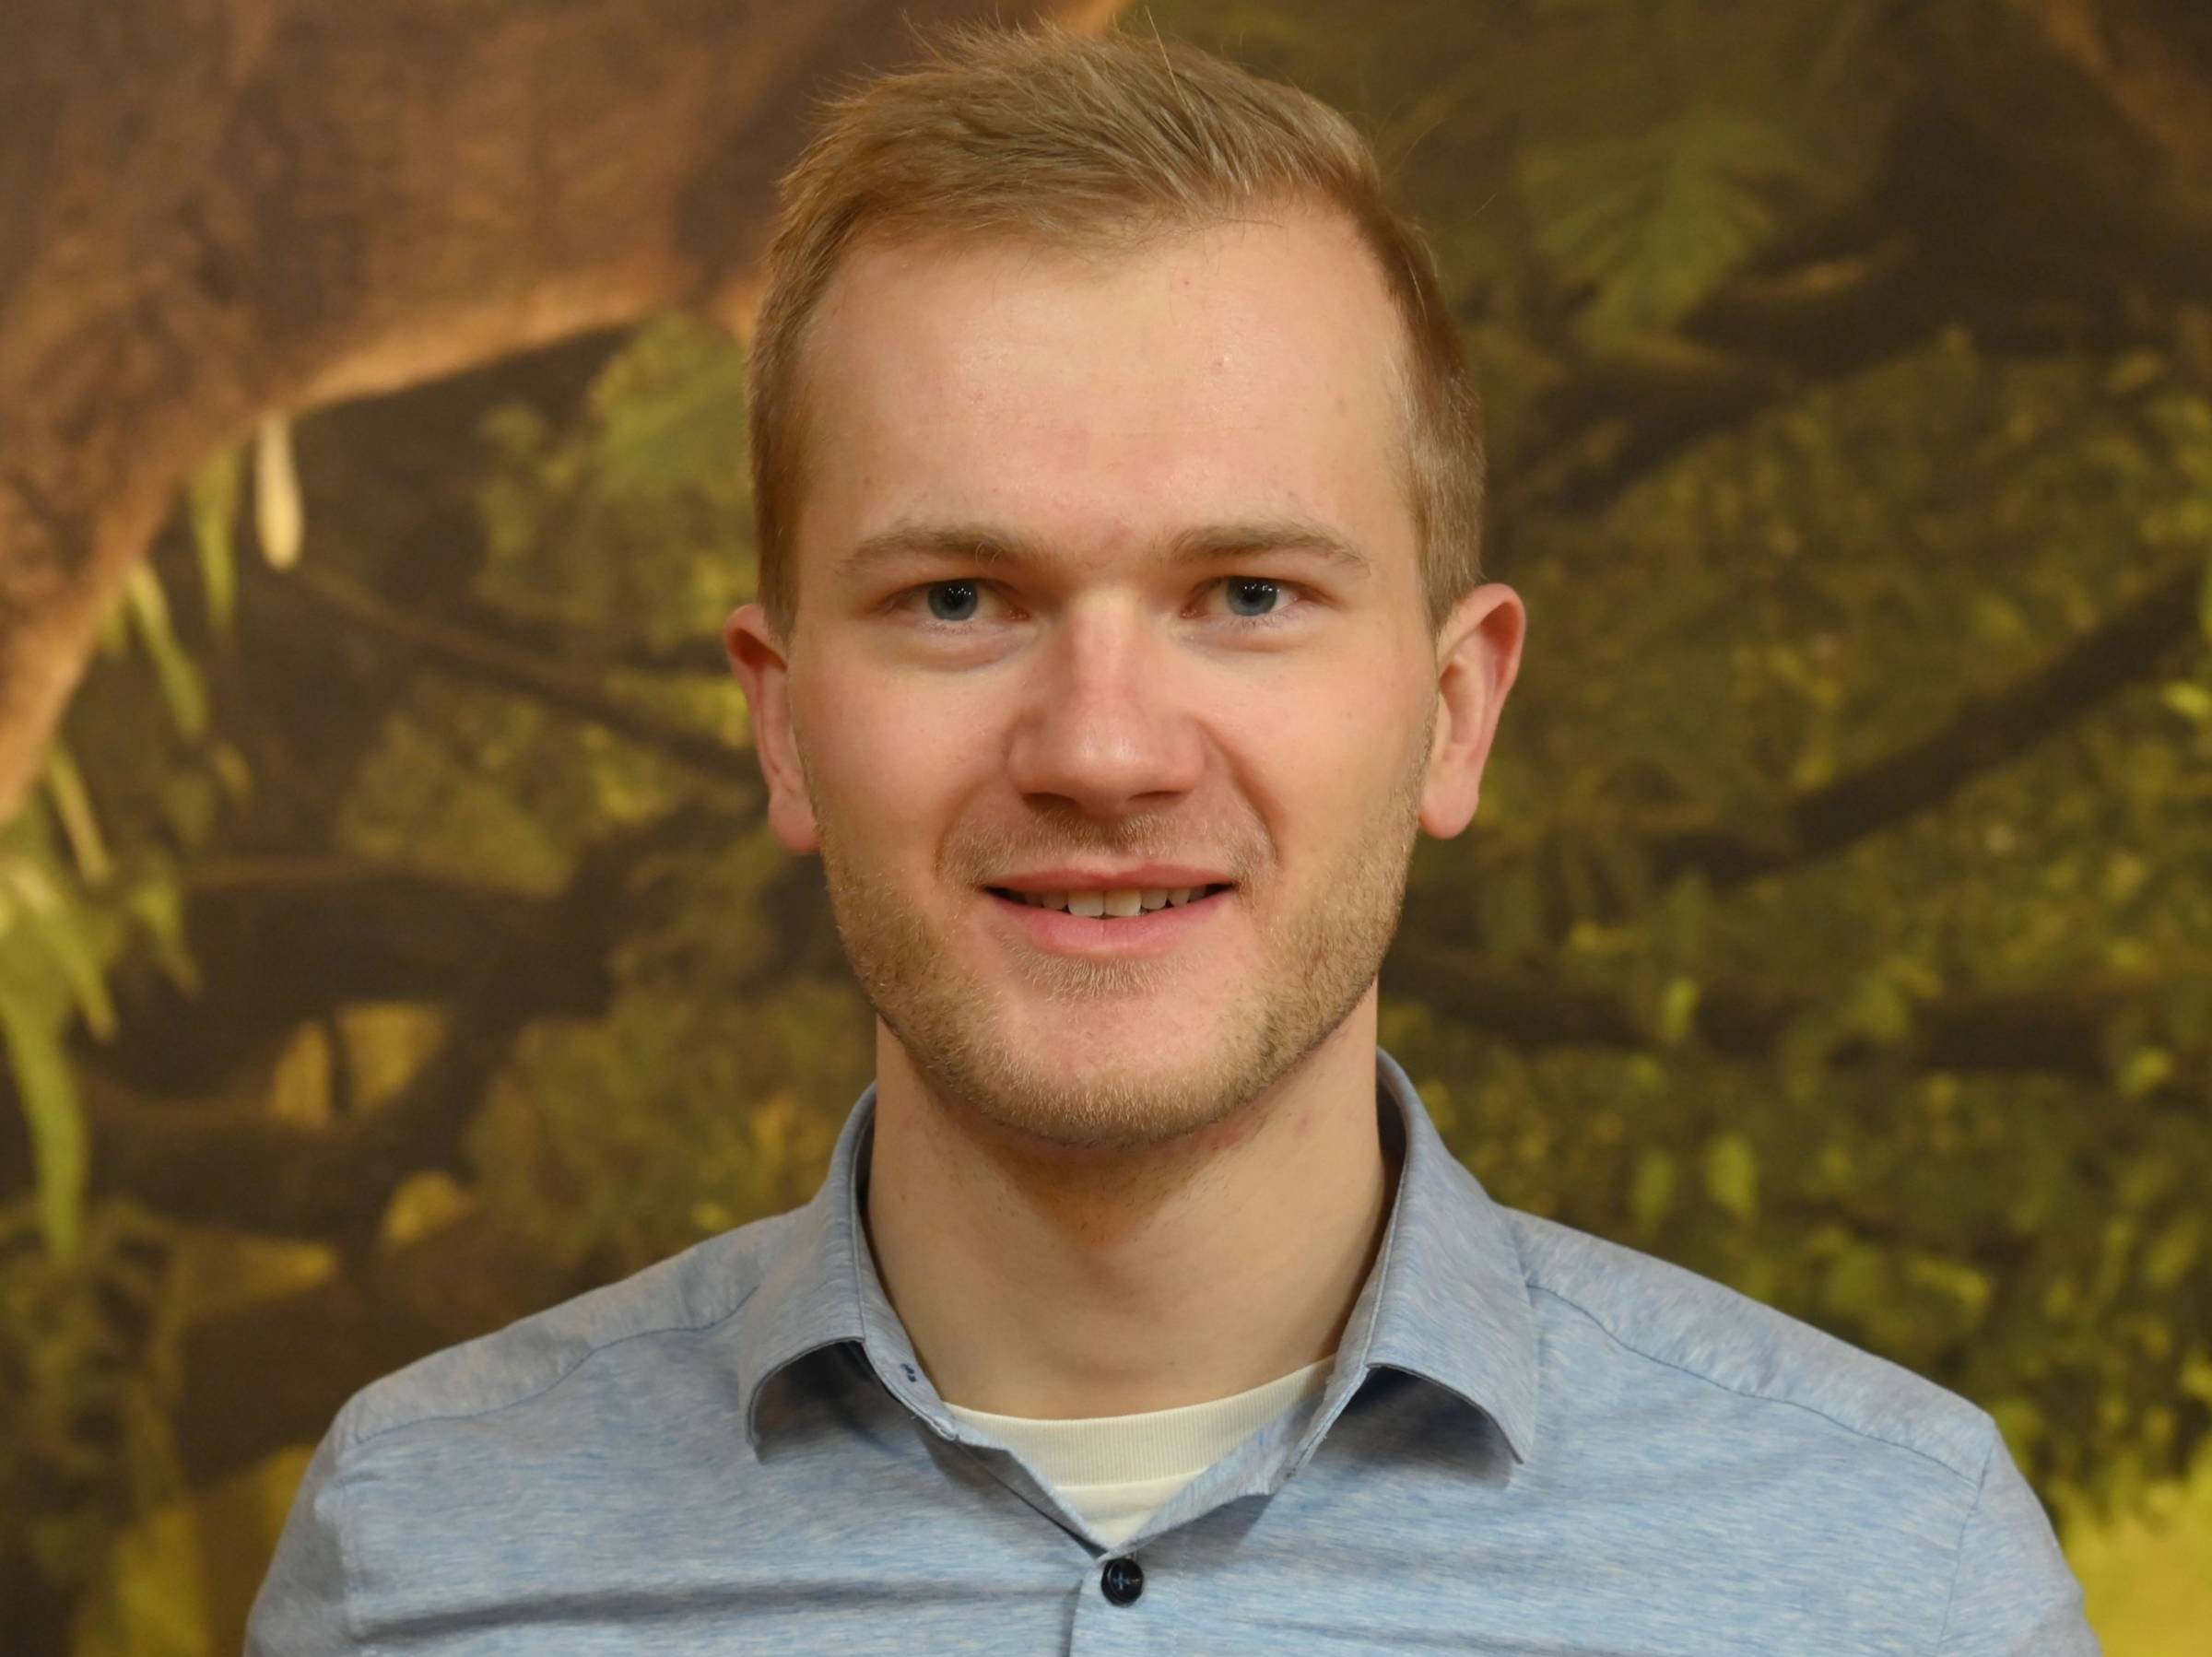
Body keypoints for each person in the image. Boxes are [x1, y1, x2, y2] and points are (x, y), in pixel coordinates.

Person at [248, 22, 2099, 1653]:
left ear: (1456, 708)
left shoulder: (1896, 1574)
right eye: (960, 598)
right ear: (783, 719)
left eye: (1250, 593)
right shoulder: (417, 1557)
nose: (1103, 748)